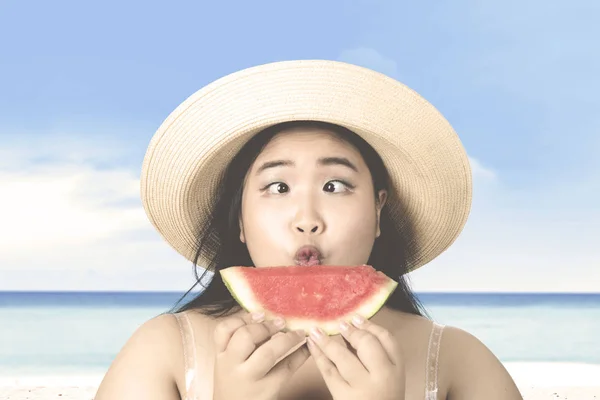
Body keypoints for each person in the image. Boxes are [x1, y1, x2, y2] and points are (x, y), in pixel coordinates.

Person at [95, 60, 523, 399]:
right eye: (277, 186)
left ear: (378, 211)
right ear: (240, 220)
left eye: (334, 186)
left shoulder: (460, 362)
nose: (306, 218)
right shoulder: (161, 352)